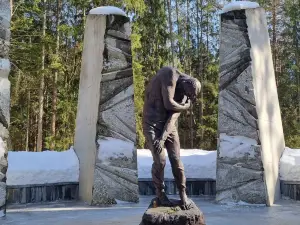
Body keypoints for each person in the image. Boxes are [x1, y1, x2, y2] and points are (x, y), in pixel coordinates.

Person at [142, 66, 201, 209]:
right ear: (186, 83)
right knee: (160, 160)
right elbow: (168, 103)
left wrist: (163, 138)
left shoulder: (186, 93)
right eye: (188, 93)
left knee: (176, 160)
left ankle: (183, 194)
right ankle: (160, 194)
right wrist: (185, 107)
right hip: (152, 123)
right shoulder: (169, 74)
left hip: (168, 126)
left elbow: (172, 117)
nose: (187, 97)